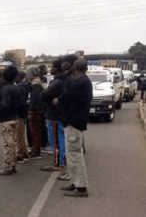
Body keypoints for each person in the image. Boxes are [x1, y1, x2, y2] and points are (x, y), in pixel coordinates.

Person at [57, 58, 92, 197]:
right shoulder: (81, 81)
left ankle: (81, 187)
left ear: (73, 69)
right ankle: (75, 182)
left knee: (75, 155)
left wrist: (58, 100)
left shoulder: (82, 83)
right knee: (71, 155)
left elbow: (65, 96)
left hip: (75, 122)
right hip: (73, 121)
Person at [0, 65, 20, 175]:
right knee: (13, 143)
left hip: (6, 119)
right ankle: (13, 165)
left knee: (7, 144)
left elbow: (5, 105)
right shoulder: (15, 87)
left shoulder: (6, 89)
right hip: (14, 118)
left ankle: (8, 166)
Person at [26, 66, 44, 159]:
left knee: (35, 132)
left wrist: (31, 112)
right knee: (36, 132)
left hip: (36, 112)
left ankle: (36, 152)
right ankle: (35, 150)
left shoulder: (36, 85)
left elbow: (34, 100)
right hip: (38, 111)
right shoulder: (37, 83)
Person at [16, 70, 31, 163]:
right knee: (21, 133)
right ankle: (24, 152)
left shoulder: (20, 87)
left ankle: (20, 153)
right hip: (24, 112)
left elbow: (20, 102)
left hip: (19, 113)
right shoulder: (26, 85)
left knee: (19, 134)